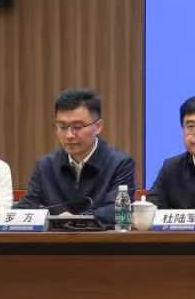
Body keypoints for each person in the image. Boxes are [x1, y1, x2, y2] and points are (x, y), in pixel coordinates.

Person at [19, 87, 137, 224]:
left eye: (77, 127)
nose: (69, 135)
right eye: (62, 127)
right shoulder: (45, 166)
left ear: (98, 126)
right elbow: (28, 206)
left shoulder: (119, 164)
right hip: (54, 237)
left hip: (100, 237)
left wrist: (76, 220)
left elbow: (117, 211)